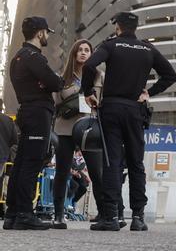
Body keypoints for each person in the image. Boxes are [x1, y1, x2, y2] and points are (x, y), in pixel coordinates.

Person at [82, 11, 176, 231]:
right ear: (135, 28)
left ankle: (110, 217)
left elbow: (88, 66)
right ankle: (138, 217)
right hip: (135, 110)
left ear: (118, 27)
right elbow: (170, 75)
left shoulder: (111, 45)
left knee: (113, 162)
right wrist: (149, 92)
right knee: (136, 163)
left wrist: (88, 91)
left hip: (112, 108)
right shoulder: (148, 48)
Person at [3, 17, 64, 231]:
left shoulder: (17, 58)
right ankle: (25, 214)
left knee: (21, 163)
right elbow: (56, 83)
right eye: (47, 32)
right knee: (31, 162)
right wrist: (52, 81)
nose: (47, 36)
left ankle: (12, 213)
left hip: (26, 111)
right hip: (38, 113)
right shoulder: (34, 58)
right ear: (39, 33)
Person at [51, 39, 106, 229]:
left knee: (97, 173)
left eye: (87, 50)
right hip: (65, 128)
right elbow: (56, 104)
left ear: (92, 54)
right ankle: (58, 214)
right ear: (74, 54)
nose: (83, 53)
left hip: (89, 129)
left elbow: (104, 102)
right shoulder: (62, 78)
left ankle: (103, 213)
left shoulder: (99, 76)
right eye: (80, 50)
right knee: (62, 171)